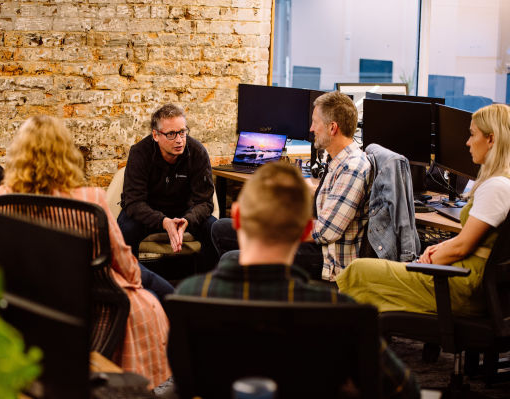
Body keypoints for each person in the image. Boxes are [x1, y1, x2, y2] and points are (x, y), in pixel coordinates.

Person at [176, 162, 420, 398]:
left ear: (237, 217)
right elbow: (404, 390)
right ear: (305, 230)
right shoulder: (341, 312)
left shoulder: (189, 295)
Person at [0, 115, 171, 387]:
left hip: (31, 304)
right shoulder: (89, 198)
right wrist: (133, 283)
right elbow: (122, 258)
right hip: (95, 303)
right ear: (66, 152)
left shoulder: (1, 198)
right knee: (150, 301)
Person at [337, 104, 510, 317]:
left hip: (460, 287)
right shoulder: (503, 184)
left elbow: (462, 248)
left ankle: (346, 336)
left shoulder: (496, 187)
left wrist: (428, 262)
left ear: (491, 139)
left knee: (358, 270)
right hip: (471, 282)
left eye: (472, 135)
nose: (467, 142)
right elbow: (469, 240)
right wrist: (438, 247)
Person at [212, 91, 370, 281]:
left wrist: (272, 231)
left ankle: (251, 293)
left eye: (315, 122)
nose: (311, 129)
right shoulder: (336, 161)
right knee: (220, 228)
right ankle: (256, 290)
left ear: (332, 128)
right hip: (316, 245)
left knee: (233, 258)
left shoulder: (352, 167)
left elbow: (326, 232)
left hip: (327, 259)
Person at [118, 103, 218, 271]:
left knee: (215, 230)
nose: (179, 140)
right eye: (171, 134)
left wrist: (188, 219)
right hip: (147, 211)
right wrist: (162, 221)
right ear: (155, 135)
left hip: (184, 213)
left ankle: (206, 284)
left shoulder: (198, 152)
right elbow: (133, 202)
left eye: (182, 132)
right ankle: (131, 285)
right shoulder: (139, 152)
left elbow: (205, 202)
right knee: (124, 231)